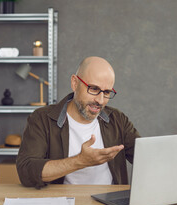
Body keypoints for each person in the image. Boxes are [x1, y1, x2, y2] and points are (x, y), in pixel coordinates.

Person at [16, 56, 140, 188]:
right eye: (93, 89)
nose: (100, 100)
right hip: (61, 204)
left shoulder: (118, 119)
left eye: (107, 92)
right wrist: (80, 161)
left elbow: (145, 158)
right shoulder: (41, 119)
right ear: (75, 83)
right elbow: (27, 172)